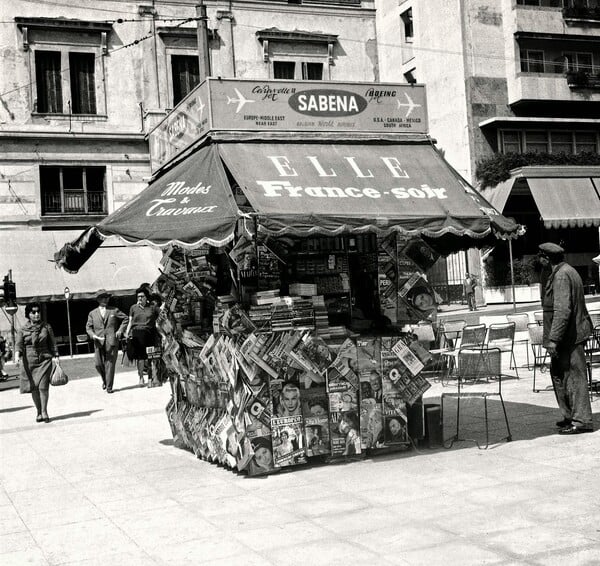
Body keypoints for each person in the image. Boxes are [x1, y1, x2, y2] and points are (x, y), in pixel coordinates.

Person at [538, 242, 593, 434]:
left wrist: (553, 339)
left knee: (574, 377)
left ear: (546, 258)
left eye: (541, 257)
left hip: (569, 337)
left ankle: (581, 420)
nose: (540, 260)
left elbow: (562, 310)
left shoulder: (561, 276)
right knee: (561, 375)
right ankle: (570, 416)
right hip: (569, 336)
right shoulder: (565, 271)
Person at [14, 303, 59, 423]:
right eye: (33, 312)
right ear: (28, 314)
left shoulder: (46, 327)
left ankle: (44, 411)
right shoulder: (22, 329)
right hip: (29, 361)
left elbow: (52, 343)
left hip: (45, 360)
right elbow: (18, 344)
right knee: (34, 388)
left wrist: (56, 356)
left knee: (43, 387)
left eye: (38, 311)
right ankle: (38, 411)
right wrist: (17, 355)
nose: (36, 314)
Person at [86, 289, 128, 393]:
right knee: (98, 364)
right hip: (98, 342)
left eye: (106, 297)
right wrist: (93, 336)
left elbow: (126, 319)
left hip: (111, 341)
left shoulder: (114, 310)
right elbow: (88, 327)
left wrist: (120, 330)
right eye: (102, 297)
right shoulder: (92, 313)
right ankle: (105, 379)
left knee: (110, 364)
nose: (105, 299)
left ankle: (109, 386)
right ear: (98, 299)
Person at [124, 286, 160, 387]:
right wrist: (127, 332)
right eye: (138, 296)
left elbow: (161, 314)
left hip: (149, 333)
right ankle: (140, 377)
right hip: (137, 334)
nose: (139, 298)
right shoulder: (133, 308)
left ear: (146, 297)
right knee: (140, 358)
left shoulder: (152, 307)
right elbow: (130, 321)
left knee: (150, 357)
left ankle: (150, 378)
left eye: (142, 296)